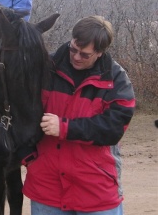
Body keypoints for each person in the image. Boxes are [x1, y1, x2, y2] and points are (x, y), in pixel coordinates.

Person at [22, 16, 136, 215]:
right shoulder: (43, 69)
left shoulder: (116, 80)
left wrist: (65, 128)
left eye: (85, 55)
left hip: (95, 190)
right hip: (46, 188)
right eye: (73, 49)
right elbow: (19, 113)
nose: (75, 57)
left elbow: (112, 129)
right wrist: (29, 159)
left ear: (100, 53)